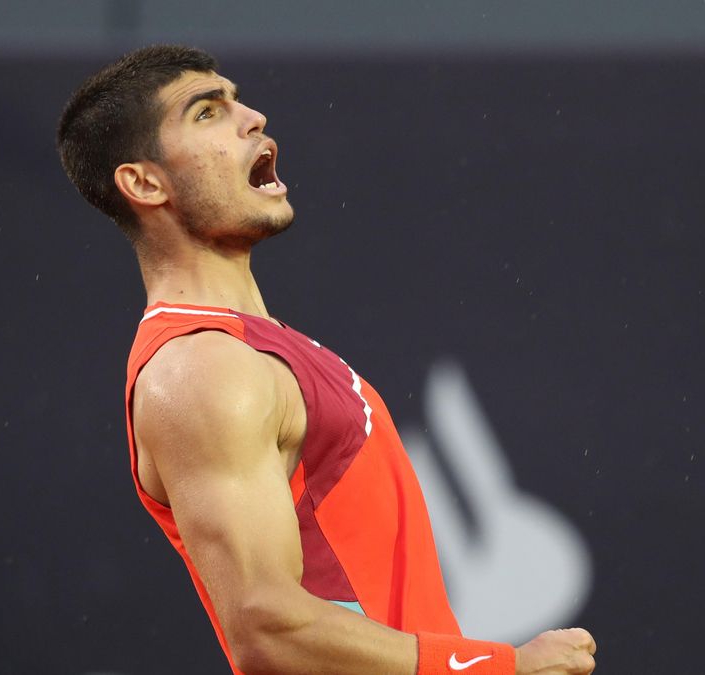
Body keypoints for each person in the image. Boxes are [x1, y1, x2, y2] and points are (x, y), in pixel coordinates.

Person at [56, 45, 597, 675]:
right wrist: (501, 666)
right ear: (145, 183)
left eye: (237, 99)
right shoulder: (201, 369)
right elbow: (266, 628)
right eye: (206, 113)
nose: (253, 118)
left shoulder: (257, 349)